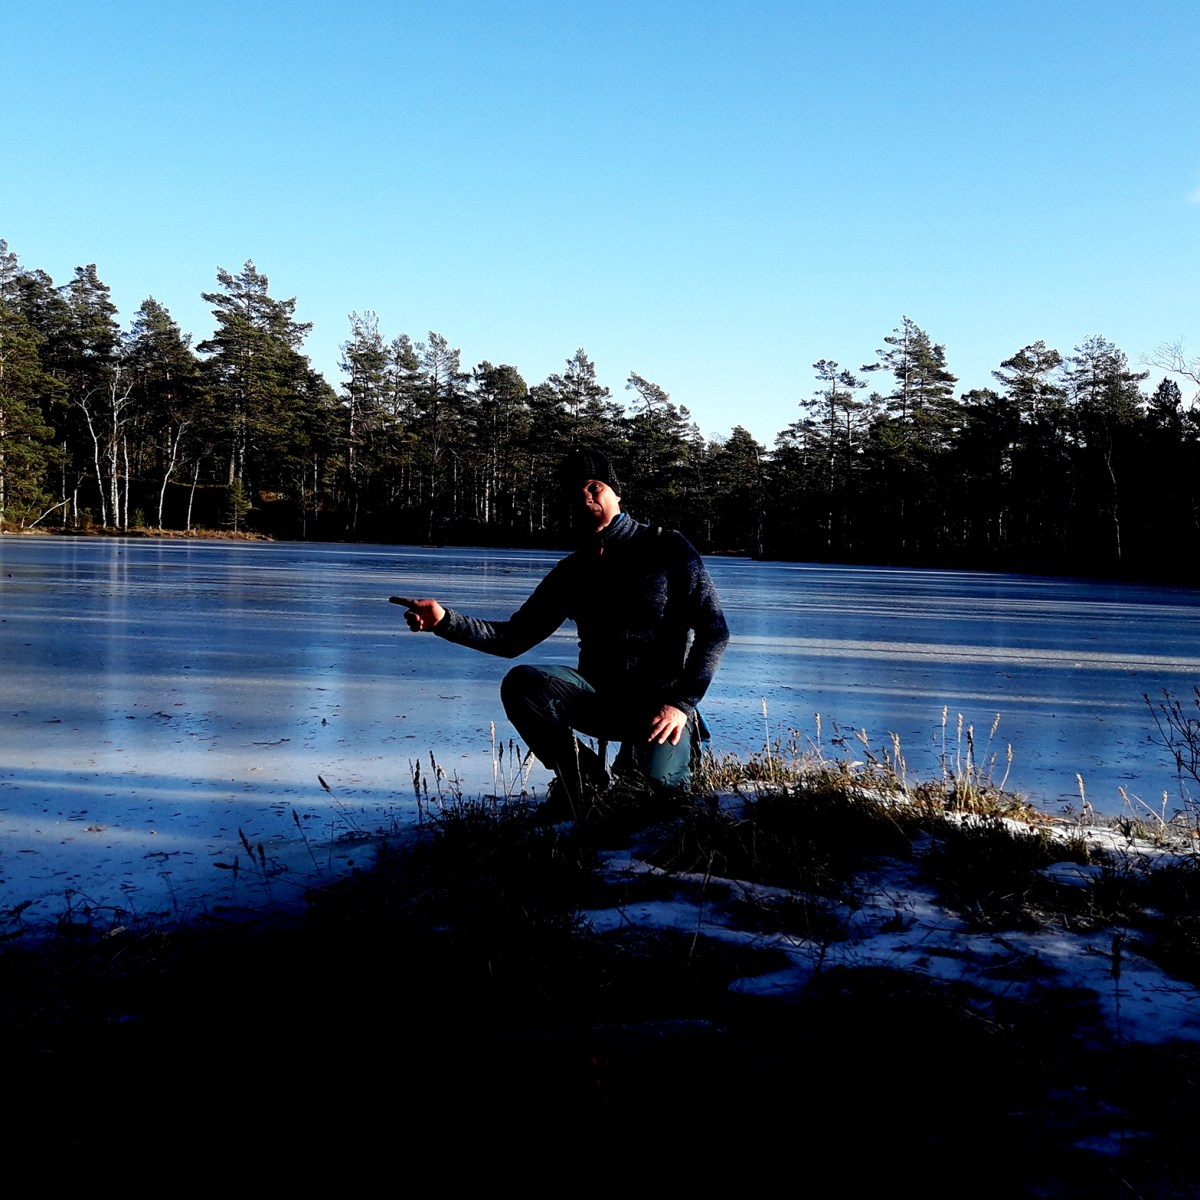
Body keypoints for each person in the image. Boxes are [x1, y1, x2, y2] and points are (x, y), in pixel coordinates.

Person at [392, 448, 729, 814]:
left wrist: (680, 704)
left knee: (657, 804)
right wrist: (445, 621)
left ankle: (656, 763)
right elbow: (512, 638)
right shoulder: (573, 571)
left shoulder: (668, 547)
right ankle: (582, 779)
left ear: (616, 493)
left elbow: (714, 631)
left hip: (661, 708)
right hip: (597, 698)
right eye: (575, 493)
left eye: (595, 487)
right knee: (522, 684)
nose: (586, 498)